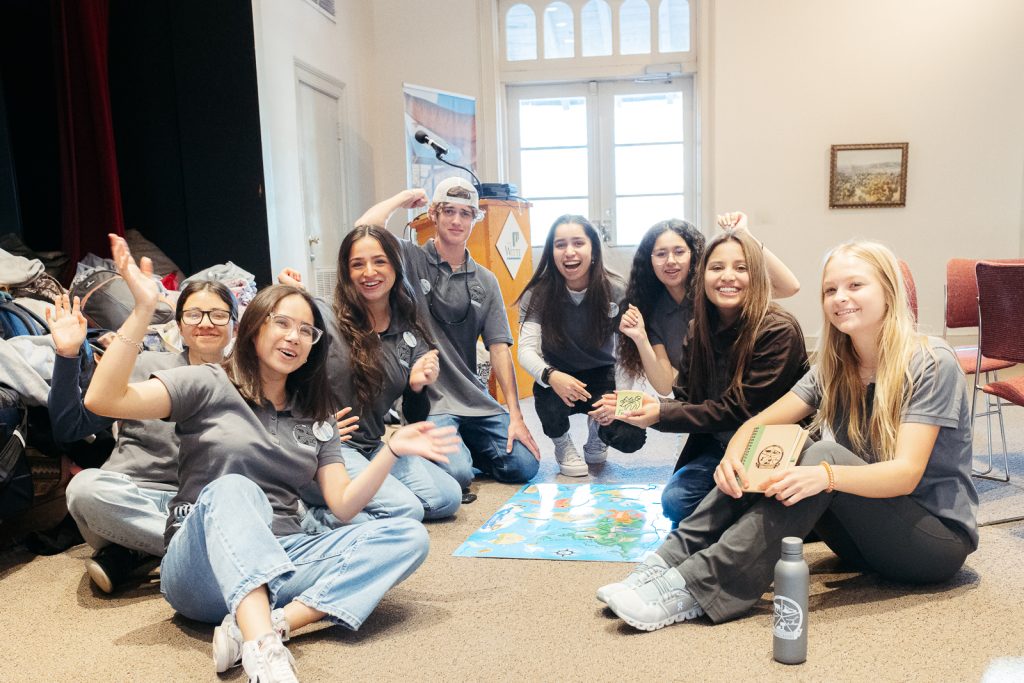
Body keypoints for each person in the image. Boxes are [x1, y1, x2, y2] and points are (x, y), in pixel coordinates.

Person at [85, 234, 457, 682]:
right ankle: (265, 654)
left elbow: (342, 504)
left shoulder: (317, 415)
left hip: (283, 554)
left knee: (407, 536)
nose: (294, 337)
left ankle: (275, 625)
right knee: (234, 488)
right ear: (255, 327)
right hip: (199, 568)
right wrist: (143, 309)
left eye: (306, 330)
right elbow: (104, 399)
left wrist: (391, 451)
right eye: (282, 323)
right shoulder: (207, 382)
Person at [597, 240, 978, 631]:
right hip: (861, 543)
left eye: (855, 286)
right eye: (830, 290)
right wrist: (736, 459)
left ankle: (694, 586)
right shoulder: (834, 362)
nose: (840, 298)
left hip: (932, 546)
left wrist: (825, 476)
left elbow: (906, 473)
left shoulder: (931, 362)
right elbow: (758, 424)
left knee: (822, 456)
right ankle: (665, 562)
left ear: (888, 291)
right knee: (783, 445)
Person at [591, 228, 808, 525]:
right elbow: (685, 399)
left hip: (769, 445)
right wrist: (646, 406)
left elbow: (740, 410)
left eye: (741, 268)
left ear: (756, 275)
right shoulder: (697, 329)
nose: (728, 276)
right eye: (717, 268)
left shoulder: (778, 330)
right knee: (675, 503)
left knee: (742, 505)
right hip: (717, 444)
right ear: (703, 275)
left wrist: (659, 414)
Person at [356, 180, 540, 498]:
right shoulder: (410, 259)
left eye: (465, 214)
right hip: (433, 400)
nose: (457, 221)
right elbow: (363, 230)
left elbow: (499, 349)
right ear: (434, 215)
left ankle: (464, 446)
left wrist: (516, 415)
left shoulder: (486, 279)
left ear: (474, 219)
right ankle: (452, 452)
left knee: (525, 466)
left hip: (474, 398)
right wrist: (402, 196)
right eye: (449, 211)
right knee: (457, 473)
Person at [51, 280, 237, 593]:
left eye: (218, 315)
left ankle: (132, 554)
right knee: (83, 489)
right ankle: (211, 553)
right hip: (127, 501)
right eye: (194, 315)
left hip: (198, 507)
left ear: (235, 324)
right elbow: (70, 427)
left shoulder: (249, 384)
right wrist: (67, 355)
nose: (205, 323)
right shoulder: (143, 367)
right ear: (179, 325)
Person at [278, 225, 461, 524]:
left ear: (395, 265)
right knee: (407, 510)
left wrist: (417, 387)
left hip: (373, 447)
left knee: (447, 497)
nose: (369, 272)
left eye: (379, 261)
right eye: (357, 264)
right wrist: (288, 294)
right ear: (346, 272)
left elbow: (414, 421)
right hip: (329, 449)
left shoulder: (409, 333)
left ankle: (353, 505)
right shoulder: (324, 317)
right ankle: (312, 511)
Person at [615, 213, 799, 396]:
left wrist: (745, 236)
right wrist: (641, 339)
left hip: (747, 392)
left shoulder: (716, 291)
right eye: (661, 254)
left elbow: (790, 287)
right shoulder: (651, 310)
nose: (670, 261)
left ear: (694, 254)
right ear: (650, 260)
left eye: (679, 252)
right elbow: (666, 385)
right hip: (705, 403)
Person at [514, 215, 625, 476]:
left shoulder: (616, 289)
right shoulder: (538, 293)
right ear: (551, 252)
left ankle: (597, 431)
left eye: (578, 243)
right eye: (560, 244)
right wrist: (551, 376)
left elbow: (629, 356)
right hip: (557, 374)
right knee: (548, 405)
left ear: (593, 249)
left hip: (602, 374)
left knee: (631, 437)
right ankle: (562, 444)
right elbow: (525, 350)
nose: (569, 252)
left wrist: (621, 400)